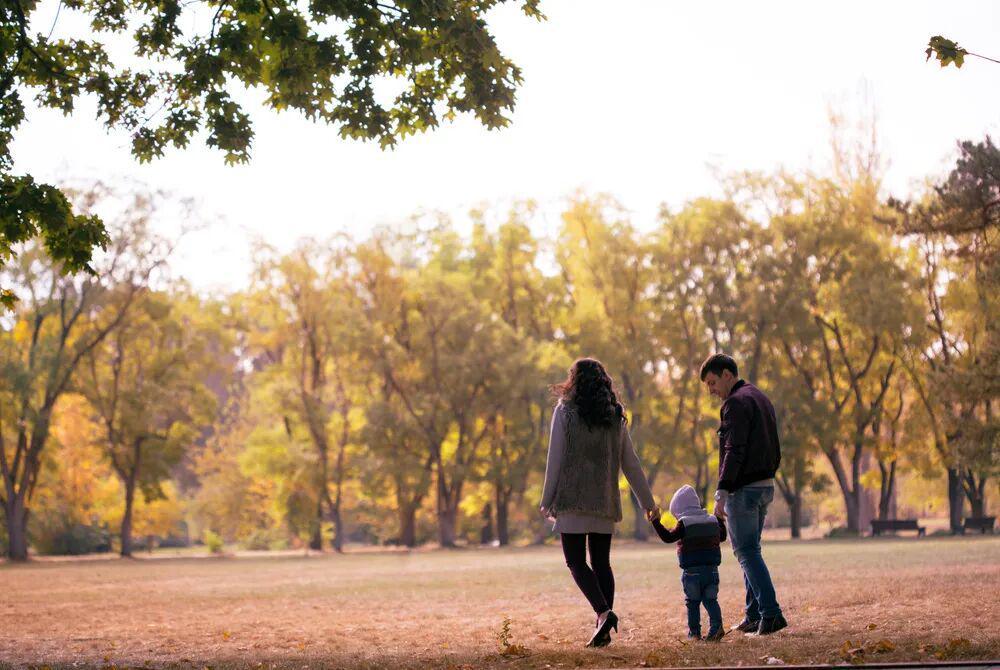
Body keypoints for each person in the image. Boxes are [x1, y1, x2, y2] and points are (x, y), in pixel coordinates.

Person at [540, 358, 659, 648]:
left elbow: (555, 458)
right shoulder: (614, 416)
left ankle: (604, 614)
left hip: (572, 500)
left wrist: (547, 499)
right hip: (604, 502)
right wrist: (648, 502)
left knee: (576, 562)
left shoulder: (565, 411)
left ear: (575, 380)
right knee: (601, 563)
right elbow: (631, 464)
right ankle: (603, 627)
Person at [701, 353, 787, 635]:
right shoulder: (760, 397)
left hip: (744, 489)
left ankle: (771, 614)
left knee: (746, 552)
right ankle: (753, 614)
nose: (711, 391)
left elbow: (733, 449)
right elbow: (774, 445)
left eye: (712, 383)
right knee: (751, 551)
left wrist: (722, 490)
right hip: (764, 485)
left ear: (727, 375)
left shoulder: (735, 403)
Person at [648, 484, 728, 641]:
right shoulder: (712, 520)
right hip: (712, 571)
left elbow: (668, 537)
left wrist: (656, 521)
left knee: (692, 603)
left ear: (679, 510)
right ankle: (716, 627)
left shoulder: (684, 523)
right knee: (711, 600)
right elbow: (723, 537)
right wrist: (719, 518)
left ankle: (694, 633)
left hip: (692, 572)